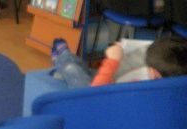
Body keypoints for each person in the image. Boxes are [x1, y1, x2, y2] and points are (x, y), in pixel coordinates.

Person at [51, 36, 187, 88]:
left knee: (71, 69)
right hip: (112, 82)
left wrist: (112, 61)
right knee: (83, 70)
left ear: (155, 74)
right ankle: (64, 59)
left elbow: (95, 94)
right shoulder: (175, 78)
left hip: (99, 97)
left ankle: (62, 59)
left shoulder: (147, 89)